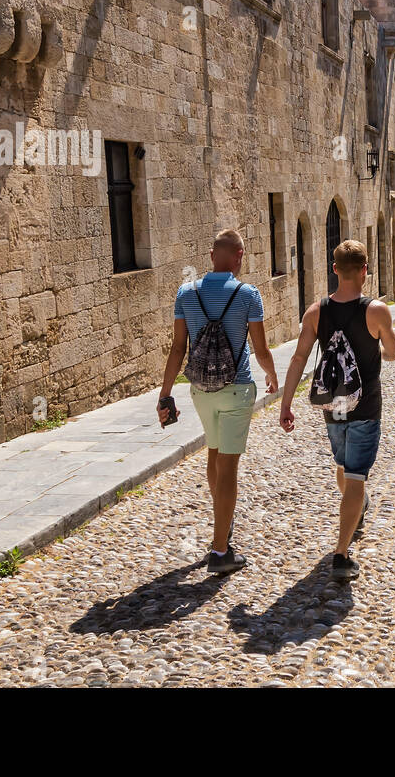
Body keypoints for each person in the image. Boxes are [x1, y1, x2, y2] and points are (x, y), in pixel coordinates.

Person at [279, 239, 395, 580]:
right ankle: (341, 554)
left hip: (333, 406)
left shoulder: (316, 312)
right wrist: (377, 351)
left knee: (343, 465)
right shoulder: (376, 311)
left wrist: (286, 404)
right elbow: (393, 352)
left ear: (335, 269)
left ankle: (354, 508)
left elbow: (299, 358)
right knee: (356, 475)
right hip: (366, 406)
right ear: (364, 270)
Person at [158, 229, 277, 575]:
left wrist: (165, 393)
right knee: (228, 467)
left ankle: (222, 522)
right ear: (239, 256)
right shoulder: (248, 295)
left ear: (212, 255)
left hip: (201, 392)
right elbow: (261, 349)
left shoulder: (186, 292)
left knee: (214, 453)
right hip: (236, 388)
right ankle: (220, 550)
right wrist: (272, 376)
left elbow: (177, 349)